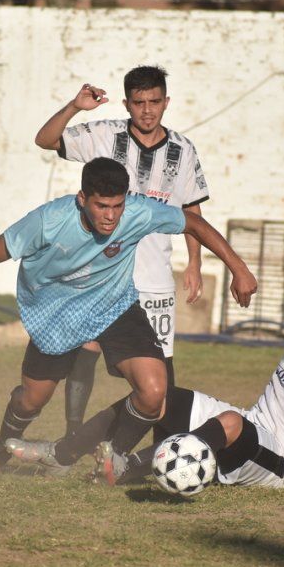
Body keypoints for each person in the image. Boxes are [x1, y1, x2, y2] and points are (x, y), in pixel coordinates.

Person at [0, 157, 256, 473]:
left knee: (153, 391)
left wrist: (238, 269)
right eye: (101, 206)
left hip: (114, 306)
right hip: (55, 314)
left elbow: (193, 223)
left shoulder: (138, 213)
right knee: (31, 399)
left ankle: (113, 459)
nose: (111, 216)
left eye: (117, 206)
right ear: (82, 198)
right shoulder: (49, 221)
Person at [8, 263, 284, 496]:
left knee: (230, 423)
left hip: (283, 463)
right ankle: (62, 453)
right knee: (160, 397)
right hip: (254, 425)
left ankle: (129, 466)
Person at [34, 66, 209, 438]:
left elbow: (191, 210)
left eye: (154, 102)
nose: (147, 110)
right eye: (139, 102)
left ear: (166, 102)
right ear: (127, 103)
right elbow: (45, 140)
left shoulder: (183, 150)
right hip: (103, 275)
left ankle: (158, 451)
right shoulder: (104, 135)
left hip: (154, 279)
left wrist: (194, 262)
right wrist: (74, 107)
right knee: (87, 348)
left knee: (160, 375)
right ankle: (73, 435)